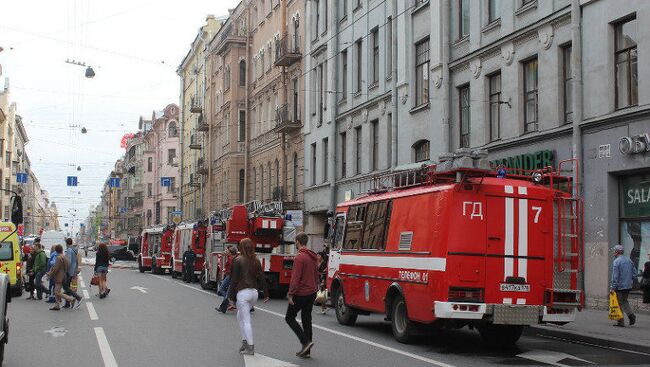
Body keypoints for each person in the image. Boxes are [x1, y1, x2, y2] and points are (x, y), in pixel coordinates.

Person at [227, 238, 268, 356]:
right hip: (254, 293)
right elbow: (262, 277)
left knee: (246, 320)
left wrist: (230, 296)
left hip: (243, 293)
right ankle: (245, 342)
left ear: (241, 247)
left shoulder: (238, 260)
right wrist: (266, 293)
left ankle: (250, 346)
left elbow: (234, 280)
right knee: (240, 316)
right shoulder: (256, 260)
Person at [285, 233, 319, 359]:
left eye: (295, 241)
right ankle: (307, 351)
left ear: (298, 242)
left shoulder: (300, 257)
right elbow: (317, 274)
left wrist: (290, 294)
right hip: (312, 292)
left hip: (301, 293)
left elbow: (295, 278)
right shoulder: (313, 256)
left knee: (289, 317)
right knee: (306, 319)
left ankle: (305, 342)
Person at [611, 245, 637, 327]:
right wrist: (629, 279)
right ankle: (631, 315)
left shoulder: (616, 262)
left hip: (619, 286)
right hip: (628, 286)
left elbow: (615, 277)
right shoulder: (629, 260)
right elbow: (634, 274)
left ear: (617, 252)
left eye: (614, 251)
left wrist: (612, 287)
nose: (613, 252)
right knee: (624, 301)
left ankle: (620, 322)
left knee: (619, 303)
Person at [46, 245, 75, 311]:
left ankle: (71, 299)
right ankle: (57, 305)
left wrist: (49, 275)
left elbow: (55, 268)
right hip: (64, 275)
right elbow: (67, 266)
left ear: (56, 250)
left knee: (56, 292)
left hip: (59, 276)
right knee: (57, 291)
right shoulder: (64, 257)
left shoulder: (59, 258)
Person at [217, 245, 238, 313]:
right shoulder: (232, 258)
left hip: (231, 276)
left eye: (228, 251)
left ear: (230, 252)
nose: (227, 251)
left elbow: (233, 269)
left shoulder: (232, 259)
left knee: (221, 290)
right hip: (230, 276)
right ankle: (228, 303)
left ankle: (230, 302)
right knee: (225, 292)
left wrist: (227, 271)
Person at [63, 238, 83, 309]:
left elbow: (68, 262)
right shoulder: (75, 249)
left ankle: (77, 298)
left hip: (69, 271)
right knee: (67, 286)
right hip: (73, 270)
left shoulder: (69, 250)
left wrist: (64, 269)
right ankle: (67, 303)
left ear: (66, 243)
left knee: (66, 287)